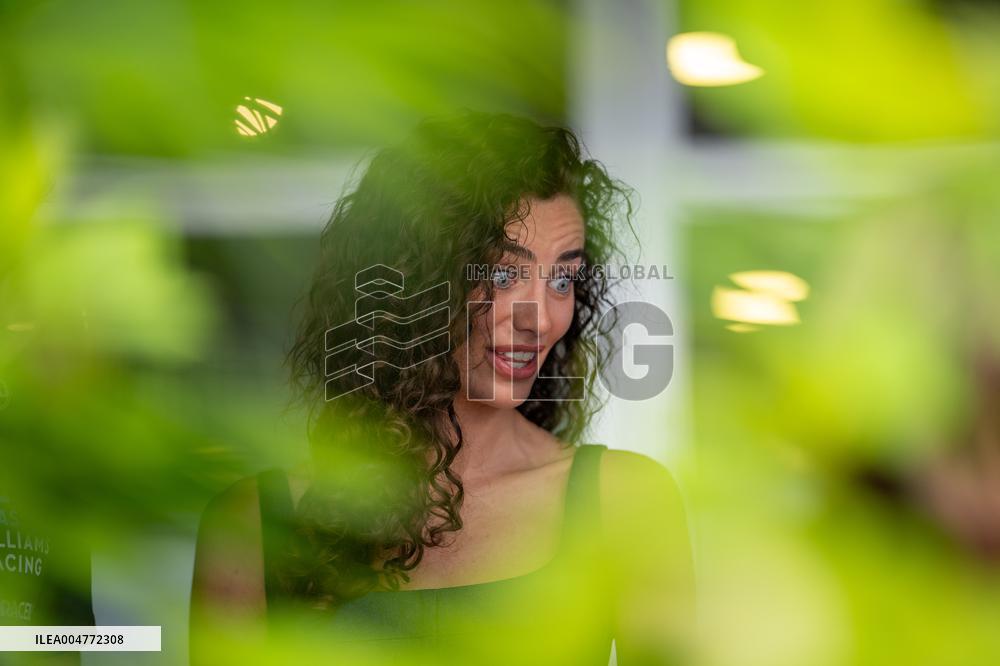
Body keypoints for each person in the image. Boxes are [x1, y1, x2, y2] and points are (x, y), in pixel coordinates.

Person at [190, 110, 694, 665]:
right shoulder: (256, 524)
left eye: (562, 280)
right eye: (502, 275)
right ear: (412, 288)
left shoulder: (622, 500)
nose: (542, 319)